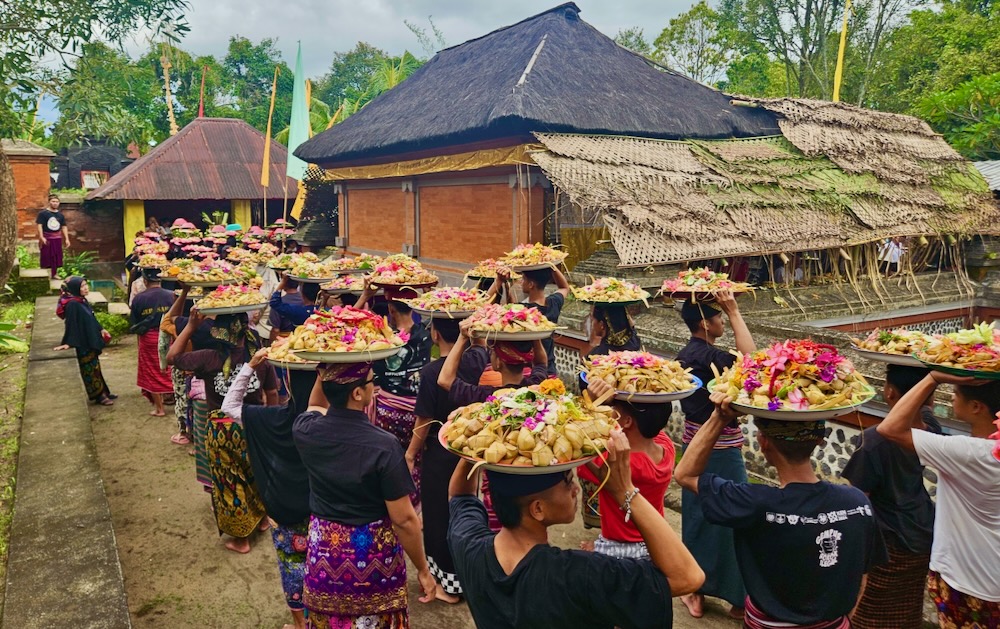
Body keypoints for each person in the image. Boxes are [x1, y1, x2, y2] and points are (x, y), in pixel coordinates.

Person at [447, 429, 704, 629]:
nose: (576, 489)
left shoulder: (468, 547)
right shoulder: (580, 576)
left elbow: (459, 495)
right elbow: (687, 577)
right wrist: (624, 490)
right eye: (567, 480)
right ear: (538, 509)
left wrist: (479, 444)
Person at [674, 394, 886, 629]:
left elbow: (685, 475)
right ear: (818, 440)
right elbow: (863, 576)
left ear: (763, 442)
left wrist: (718, 418)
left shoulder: (753, 503)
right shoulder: (857, 503)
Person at [292, 361, 436, 628]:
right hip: (373, 562)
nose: (375, 386)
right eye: (371, 381)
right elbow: (404, 521)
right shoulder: (384, 445)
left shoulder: (305, 430)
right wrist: (423, 570)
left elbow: (315, 406)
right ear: (358, 393)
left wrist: (325, 370)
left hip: (323, 557)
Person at [876, 373, 1000, 628]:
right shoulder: (976, 451)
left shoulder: (970, 453)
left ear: (977, 407)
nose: (952, 398)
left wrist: (932, 378)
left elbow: (889, 428)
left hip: (968, 582)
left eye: (955, 394)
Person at [167, 308, 279, 553]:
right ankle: (261, 519)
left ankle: (241, 539)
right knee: (255, 473)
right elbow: (272, 393)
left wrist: (190, 327)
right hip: (254, 425)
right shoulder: (260, 359)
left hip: (222, 431)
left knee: (230, 483)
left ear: (218, 333)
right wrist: (271, 423)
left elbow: (172, 358)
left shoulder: (208, 358)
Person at [222, 348, 316, 629]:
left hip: (284, 514)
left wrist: (250, 365)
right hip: (323, 513)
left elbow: (229, 406)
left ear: (288, 383)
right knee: (323, 569)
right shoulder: (329, 427)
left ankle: (300, 625)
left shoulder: (270, 419)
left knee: (292, 567)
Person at [674, 290, 755, 619]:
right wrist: (734, 311)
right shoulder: (711, 358)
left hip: (693, 445)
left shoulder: (684, 354)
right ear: (706, 324)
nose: (722, 321)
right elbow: (753, 366)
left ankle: (694, 590)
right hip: (720, 447)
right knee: (735, 516)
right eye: (718, 317)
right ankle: (737, 597)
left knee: (698, 517)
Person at [842, 364, 940, 628]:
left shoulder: (874, 441)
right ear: (931, 398)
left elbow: (856, 501)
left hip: (888, 540)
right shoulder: (930, 430)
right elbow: (924, 409)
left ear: (888, 392)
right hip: (922, 528)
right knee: (906, 611)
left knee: (870, 614)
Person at [406, 317, 490, 603]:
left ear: (435, 333)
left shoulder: (432, 372)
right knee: (463, 509)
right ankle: (463, 575)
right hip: (469, 450)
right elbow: (479, 343)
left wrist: (410, 453)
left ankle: (449, 587)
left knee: (439, 515)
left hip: (440, 452)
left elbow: (425, 419)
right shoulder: (478, 359)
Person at [577, 378, 675, 559]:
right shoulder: (666, 447)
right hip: (653, 539)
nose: (608, 412)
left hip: (620, 547)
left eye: (613, 410)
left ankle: (599, 546)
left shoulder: (617, 463)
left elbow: (580, 445)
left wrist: (590, 403)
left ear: (627, 421)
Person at [358, 283, 433, 504]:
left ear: (390, 310)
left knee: (387, 461)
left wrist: (365, 296)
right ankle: (412, 507)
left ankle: (389, 504)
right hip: (416, 416)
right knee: (414, 462)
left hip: (386, 413)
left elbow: (352, 322)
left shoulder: (382, 337)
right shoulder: (427, 337)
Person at [54, 276, 115, 404]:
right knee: (89, 369)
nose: (86, 288)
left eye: (86, 284)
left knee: (95, 367)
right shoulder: (73, 304)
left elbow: (90, 317)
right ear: (75, 288)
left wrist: (101, 329)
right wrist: (68, 343)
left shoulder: (81, 300)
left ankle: (103, 391)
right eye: (82, 286)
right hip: (83, 342)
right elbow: (71, 324)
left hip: (90, 338)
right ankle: (99, 396)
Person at [130, 269, 174, 416]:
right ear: (160, 280)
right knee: (172, 369)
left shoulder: (139, 299)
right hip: (169, 335)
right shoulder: (171, 296)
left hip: (149, 338)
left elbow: (135, 324)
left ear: (145, 281)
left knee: (152, 372)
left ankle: (159, 408)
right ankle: (177, 397)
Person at [513, 266, 570, 376]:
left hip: (531, 372)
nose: (521, 282)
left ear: (531, 285)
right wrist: (552, 266)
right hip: (550, 370)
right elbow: (564, 287)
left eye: (523, 279)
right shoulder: (553, 303)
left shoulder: (523, 310)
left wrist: (500, 282)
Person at [37, 194, 69, 279]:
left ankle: (54, 274)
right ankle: (44, 273)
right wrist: (41, 237)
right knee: (46, 255)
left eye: (57, 202)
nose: (55, 203)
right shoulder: (43, 214)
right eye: (53, 201)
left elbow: (64, 226)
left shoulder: (60, 215)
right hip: (47, 237)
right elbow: (39, 225)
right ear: (49, 202)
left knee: (56, 256)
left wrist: (67, 239)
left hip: (57, 238)